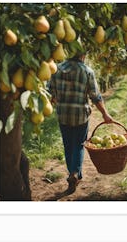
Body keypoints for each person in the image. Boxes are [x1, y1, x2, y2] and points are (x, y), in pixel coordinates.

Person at [49, 51, 113, 193]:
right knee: (79, 145)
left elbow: (51, 94)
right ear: (83, 55)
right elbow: (95, 96)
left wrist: (61, 101)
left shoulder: (56, 69)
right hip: (80, 116)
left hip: (63, 114)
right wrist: (105, 114)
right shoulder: (87, 71)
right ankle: (75, 173)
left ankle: (73, 172)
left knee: (68, 145)